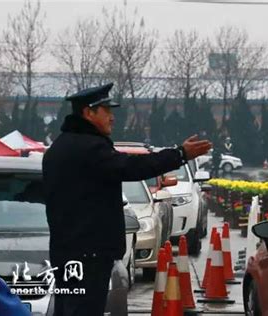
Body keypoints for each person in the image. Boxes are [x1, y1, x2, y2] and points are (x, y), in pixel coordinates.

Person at [42, 83, 211, 316]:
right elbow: (132, 167)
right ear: (88, 113)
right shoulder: (89, 148)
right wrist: (179, 154)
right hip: (89, 254)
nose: (112, 118)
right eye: (106, 111)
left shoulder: (60, 147)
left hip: (66, 250)